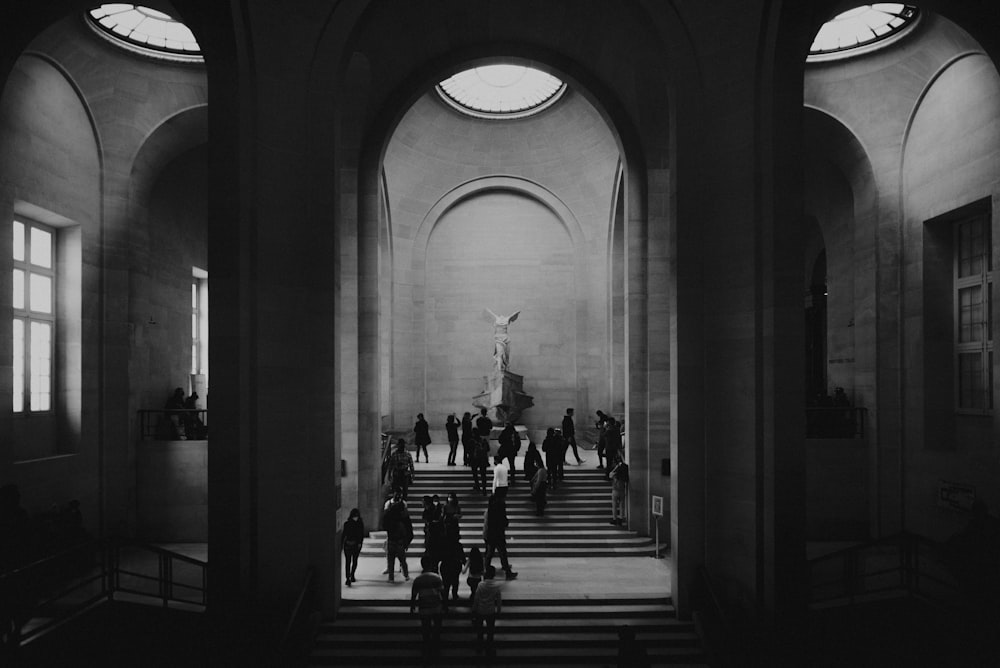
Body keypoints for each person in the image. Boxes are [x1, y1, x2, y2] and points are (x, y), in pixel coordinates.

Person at [410, 555, 445, 664]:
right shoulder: (436, 578)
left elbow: (414, 594)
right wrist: (445, 605)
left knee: (426, 629)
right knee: (437, 628)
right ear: (430, 565)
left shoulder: (418, 579)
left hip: (424, 607)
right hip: (436, 607)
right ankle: (436, 651)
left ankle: (426, 651)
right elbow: (442, 592)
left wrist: (412, 606)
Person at [472, 565, 503, 658]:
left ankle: (479, 647)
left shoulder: (481, 584)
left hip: (480, 610)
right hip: (490, 611)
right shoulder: (496, 586)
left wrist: (474, 609)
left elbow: (476, 598)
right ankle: (489, 649)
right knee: (490, 631)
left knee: (480, 630)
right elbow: (499, 600)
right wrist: (499, 610)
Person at [483, 494, 517, 579]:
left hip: (491, 535)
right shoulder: (499, 511)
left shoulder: (489, 511)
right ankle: (507, 572)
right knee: (502, 554)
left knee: (490, 554)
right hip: (498, 535)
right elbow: (504, 522)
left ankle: (485, 571)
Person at [384, 495, 413, 582]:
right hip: (399, 542)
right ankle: (406, 575)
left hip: (391, 541)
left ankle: (391, 577)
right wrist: (406, 543)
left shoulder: (389, 518)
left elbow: (385, 526)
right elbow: (406, 532)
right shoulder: (402, 522)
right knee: (402, 560)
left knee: (391, 561)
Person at [341, 508, 365, 586]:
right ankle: (351, 576)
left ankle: (349, 577)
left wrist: (342, 544)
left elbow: (344, 535)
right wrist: (360, 543)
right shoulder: (359, 524)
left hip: (349, 544)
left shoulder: (348, 524)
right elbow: (361, 535)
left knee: (349, 562)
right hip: (354, 544)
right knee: (353, 561)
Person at [609, 460, 629, 526]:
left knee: (614, 505)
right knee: (622, 505)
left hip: (615, 490)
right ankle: (620, 519)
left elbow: (610, 475)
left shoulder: (615, 475)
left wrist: (617, 467)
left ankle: (614, 519)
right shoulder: (624, 475)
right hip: (622, 490)